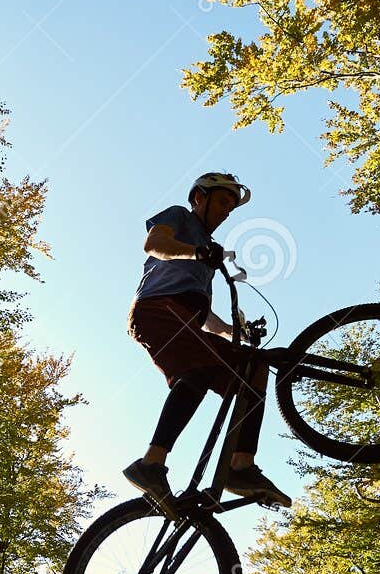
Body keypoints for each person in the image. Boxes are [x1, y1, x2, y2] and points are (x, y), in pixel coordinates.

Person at [123, 171, 292, 509]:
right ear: (200, 197)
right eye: (224, 201)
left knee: (252, 367)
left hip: (184, 318)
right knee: (196, 369)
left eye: (232, 206)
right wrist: (197, 253)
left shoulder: (206, 254)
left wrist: (236, 332)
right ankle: (150, 464)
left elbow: (206, 319)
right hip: (156, 310)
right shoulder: (180, 217)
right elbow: (155, 244)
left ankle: (240, 467)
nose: (228, 210)